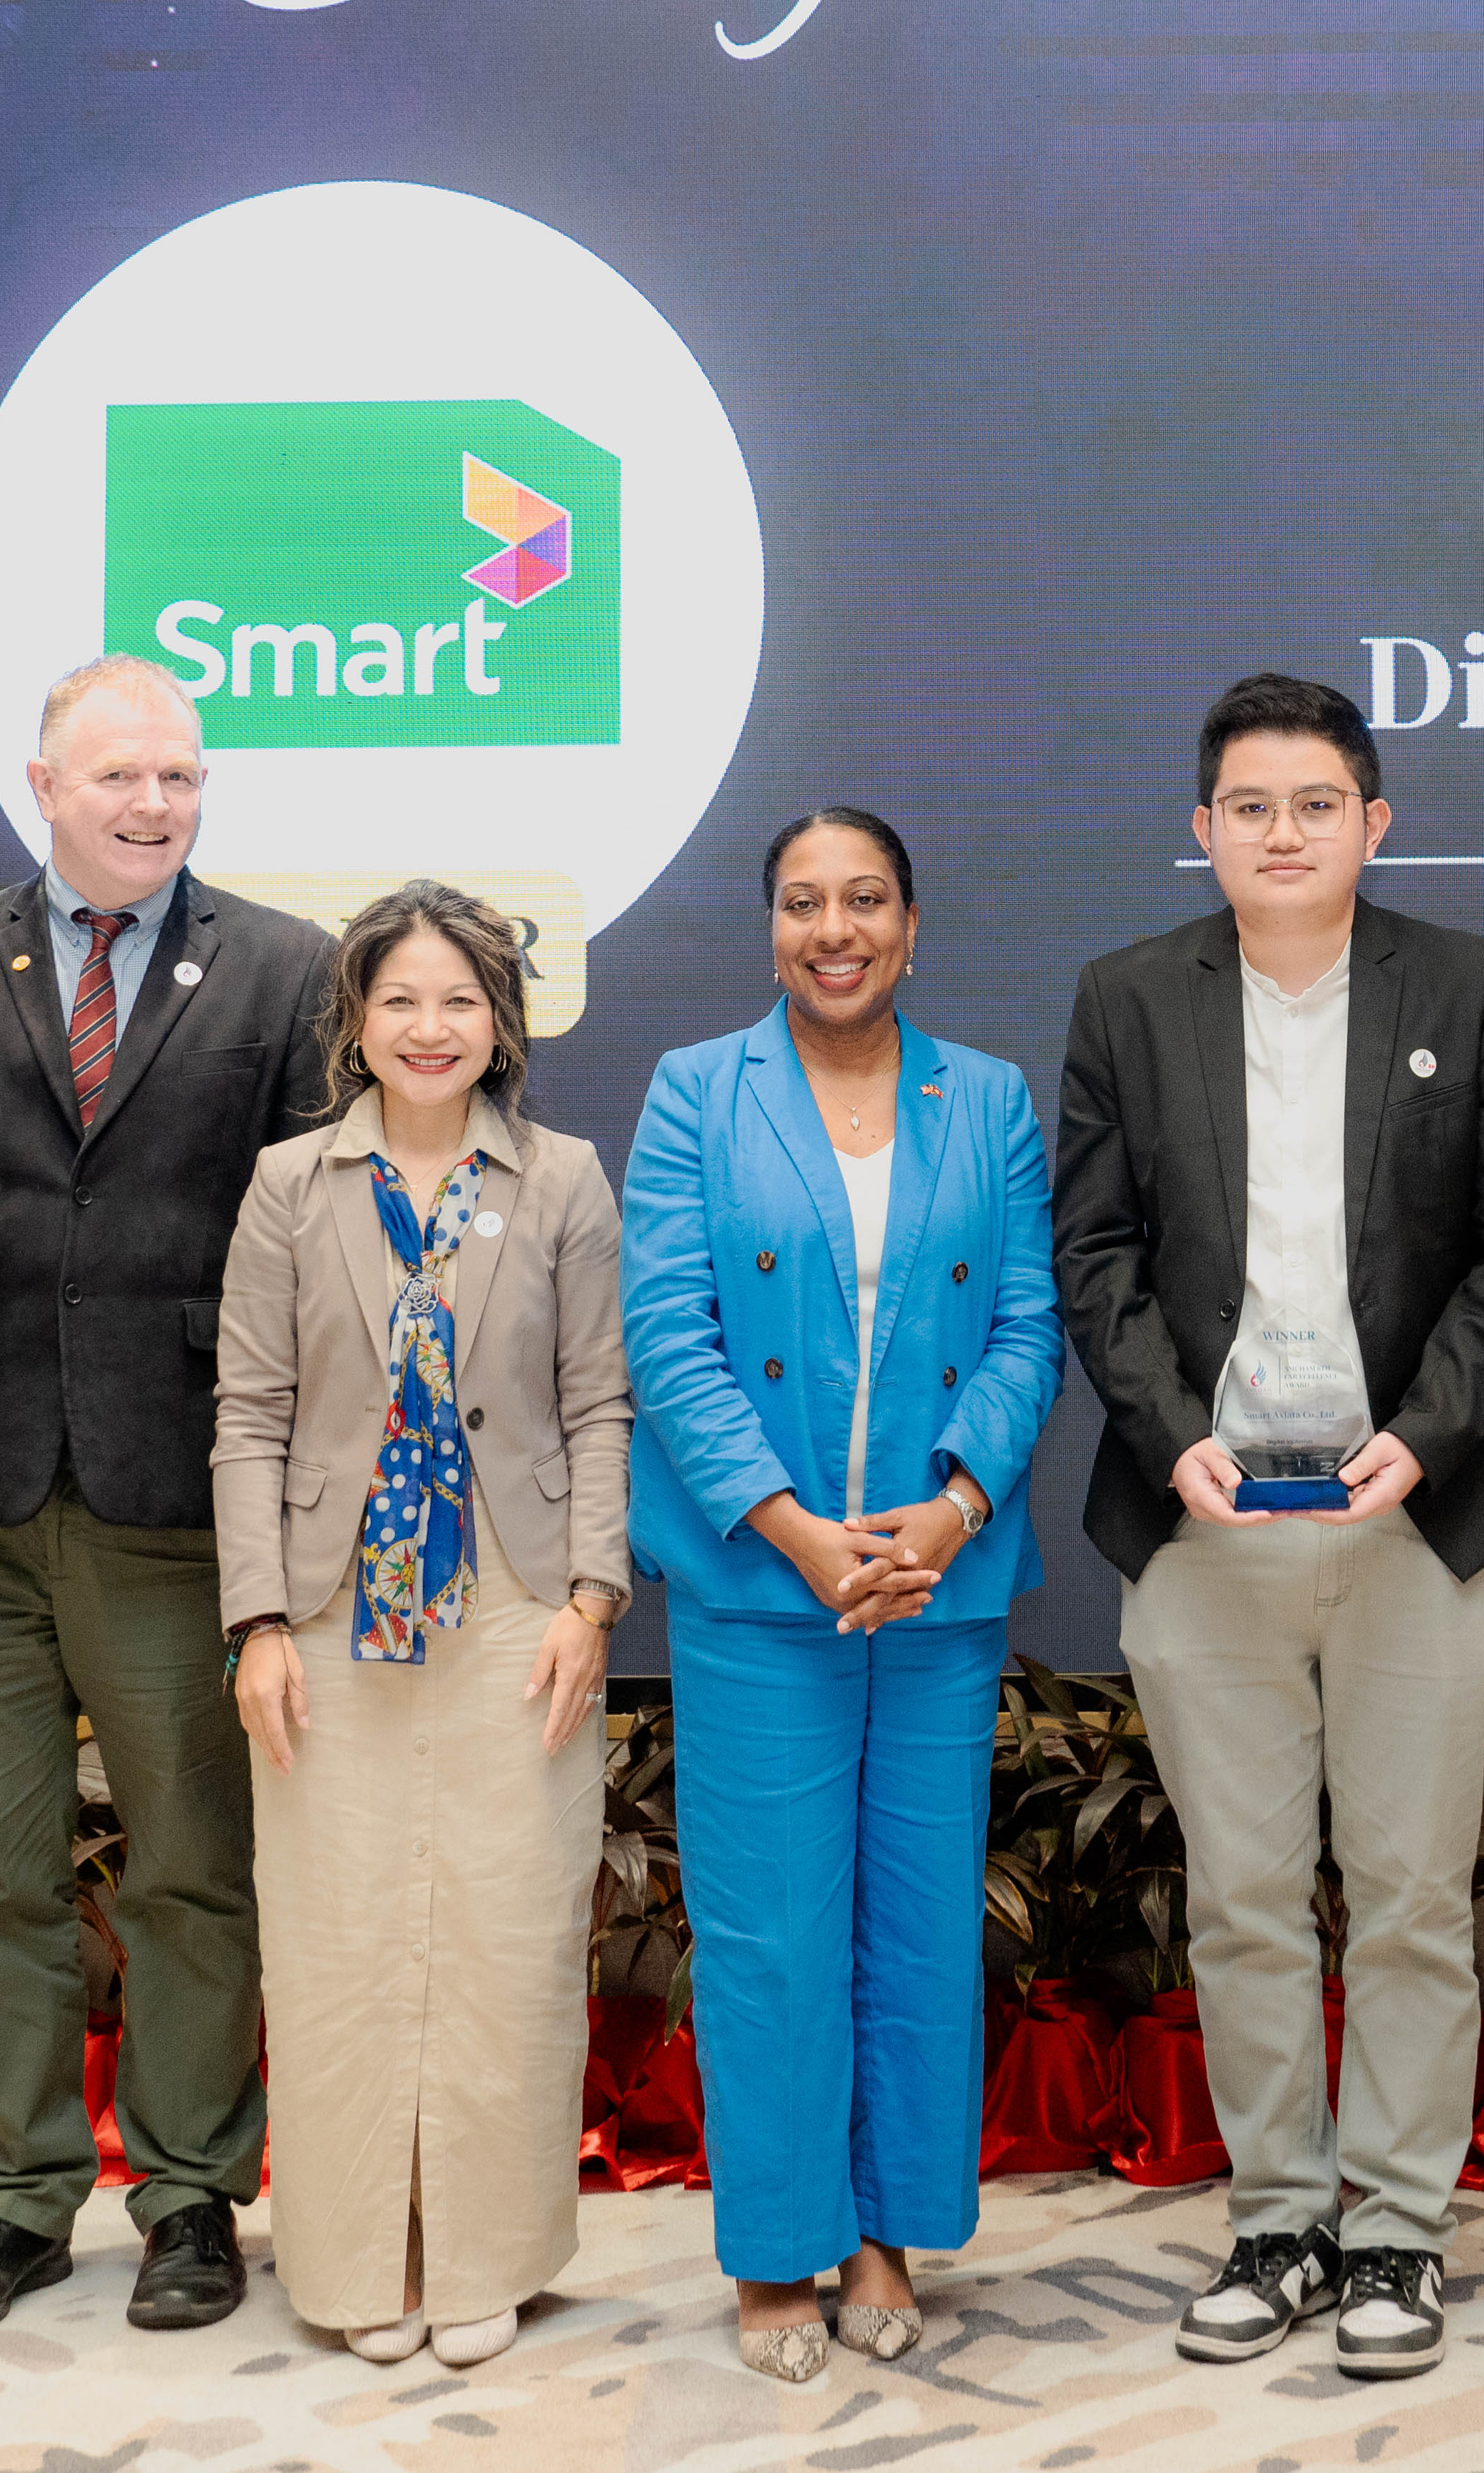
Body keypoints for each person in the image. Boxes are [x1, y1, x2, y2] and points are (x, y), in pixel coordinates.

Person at [0, 652, 338, 2342]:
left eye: (179, 774)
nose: (153, 802)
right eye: (119, 774)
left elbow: (314, 1252)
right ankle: (16, 2199)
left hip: (178, 1489)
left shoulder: (284, 967)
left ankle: (188, 2193)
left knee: (193, 1862)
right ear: (42, 784)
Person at [1055, 672, 1484, 2380]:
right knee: (1244, 1897)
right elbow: (1093, 1250)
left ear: (1374, 821)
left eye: (1318, 804)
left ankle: (1398, 2230)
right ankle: (1278, 2217)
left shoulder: (1470, 987)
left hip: (1412, 1516)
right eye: (1252, 807)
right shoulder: (1130, 996)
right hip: (1207, 1524)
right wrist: (1172, 1433)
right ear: (1203, 828)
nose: (1285, 833)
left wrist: (1430, 1434)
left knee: (1412, 1894)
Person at [621, 808, 1065, 2383]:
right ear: (771, 926)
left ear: (911, 924)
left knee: (920, 1917)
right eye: (804, 902)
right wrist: (799, 1530)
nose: (836, 929)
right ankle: (775, 2250)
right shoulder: (697, 1091)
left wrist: (950, 1506)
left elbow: (1027, 1325)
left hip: (937, 1577)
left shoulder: (987, 1098)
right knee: (771, 1927)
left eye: (866, 898)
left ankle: (887, 2231)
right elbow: (667, 1332)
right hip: (763, 1579)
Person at [213, 880, 631, 2368]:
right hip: (331, 1608)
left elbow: (599, 1399)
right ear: (357, 1020)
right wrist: (258, 1618)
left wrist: (591, 1596)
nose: (431, 1026)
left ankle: (485, 2253)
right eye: (401, 998)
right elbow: (250, 1410)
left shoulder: (565, 1177)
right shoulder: (290, 1183)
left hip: (517, 1601)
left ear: (501, 1023)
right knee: (337, 1934)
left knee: (508, 1929)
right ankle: (354, 2257)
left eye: (460, 999)